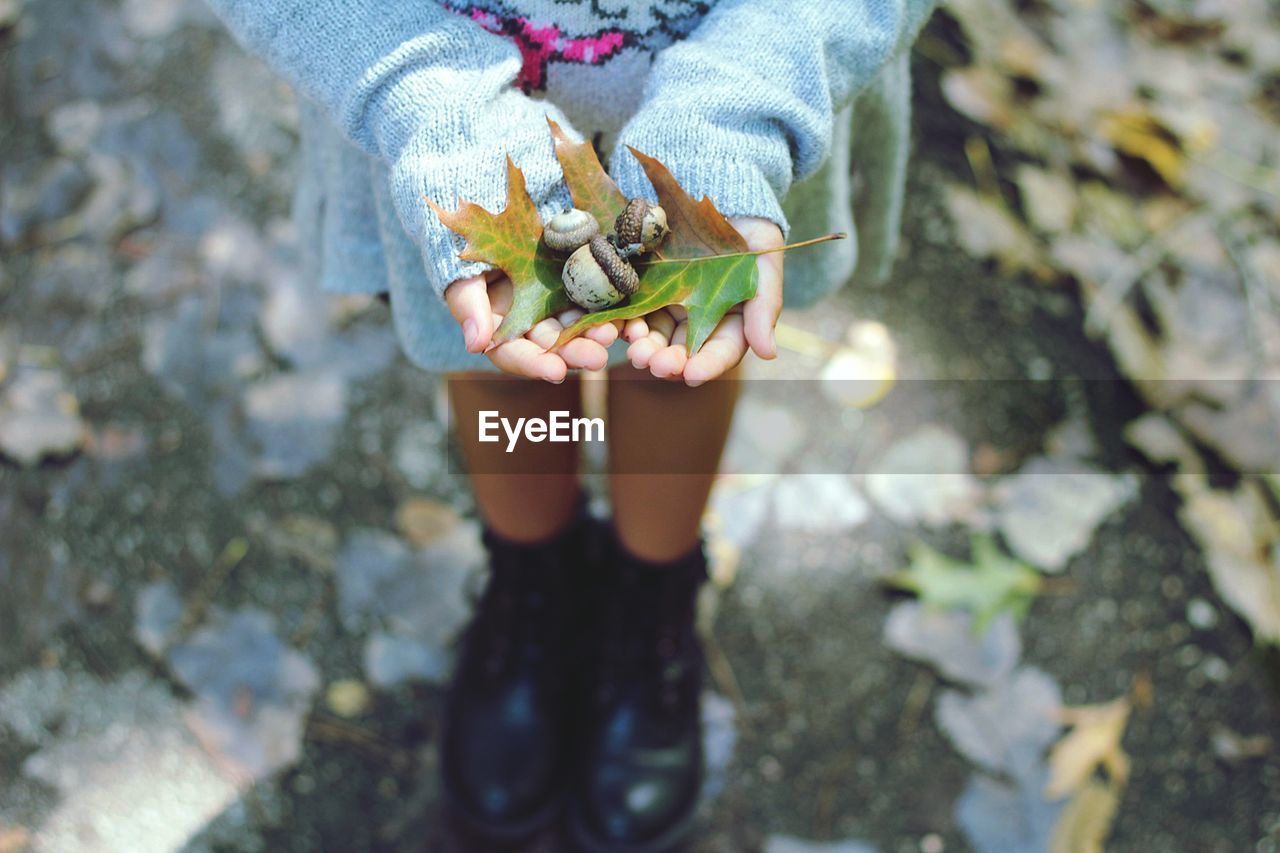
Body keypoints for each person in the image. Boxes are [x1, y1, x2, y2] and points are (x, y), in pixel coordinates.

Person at [205, 1, 935, 849]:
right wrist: (426, 99)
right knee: (500, 350)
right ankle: (532, 582)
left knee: (684, 348)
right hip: (450, 118)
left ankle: (652, 594)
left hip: (747, 74)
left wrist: (745, 106)